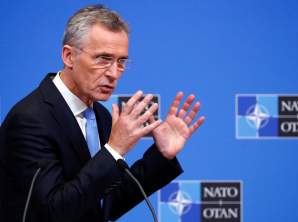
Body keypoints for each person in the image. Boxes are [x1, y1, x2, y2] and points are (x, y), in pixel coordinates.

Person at [0, 4, 205, 222]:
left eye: (121, 62)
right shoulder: (30, 120)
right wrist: (115, 149)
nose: (114, 73)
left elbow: (102, 203)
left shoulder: (100, 116)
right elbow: (54, 212)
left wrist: (162, 155)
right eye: (103, 59)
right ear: (69, 56)